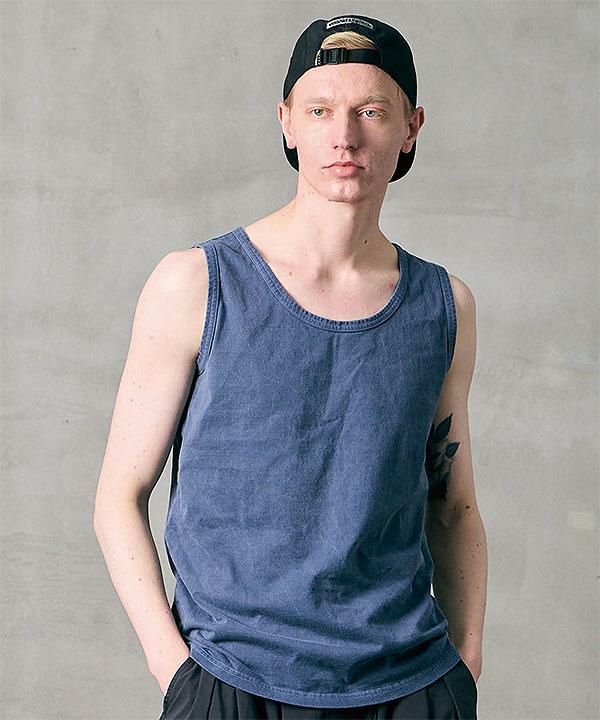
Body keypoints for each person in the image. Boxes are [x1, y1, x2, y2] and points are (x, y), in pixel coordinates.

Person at [93, 12, 488, 720]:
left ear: (411, 127)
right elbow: (119, 495)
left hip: (411, 684)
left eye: (372, 111)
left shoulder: (443, 306)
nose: (345, 136)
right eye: (320, 110)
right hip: (232, 681)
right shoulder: (197, 284)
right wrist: (176, 672)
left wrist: (466, 665)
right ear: (287, 123)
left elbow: (452, 505)